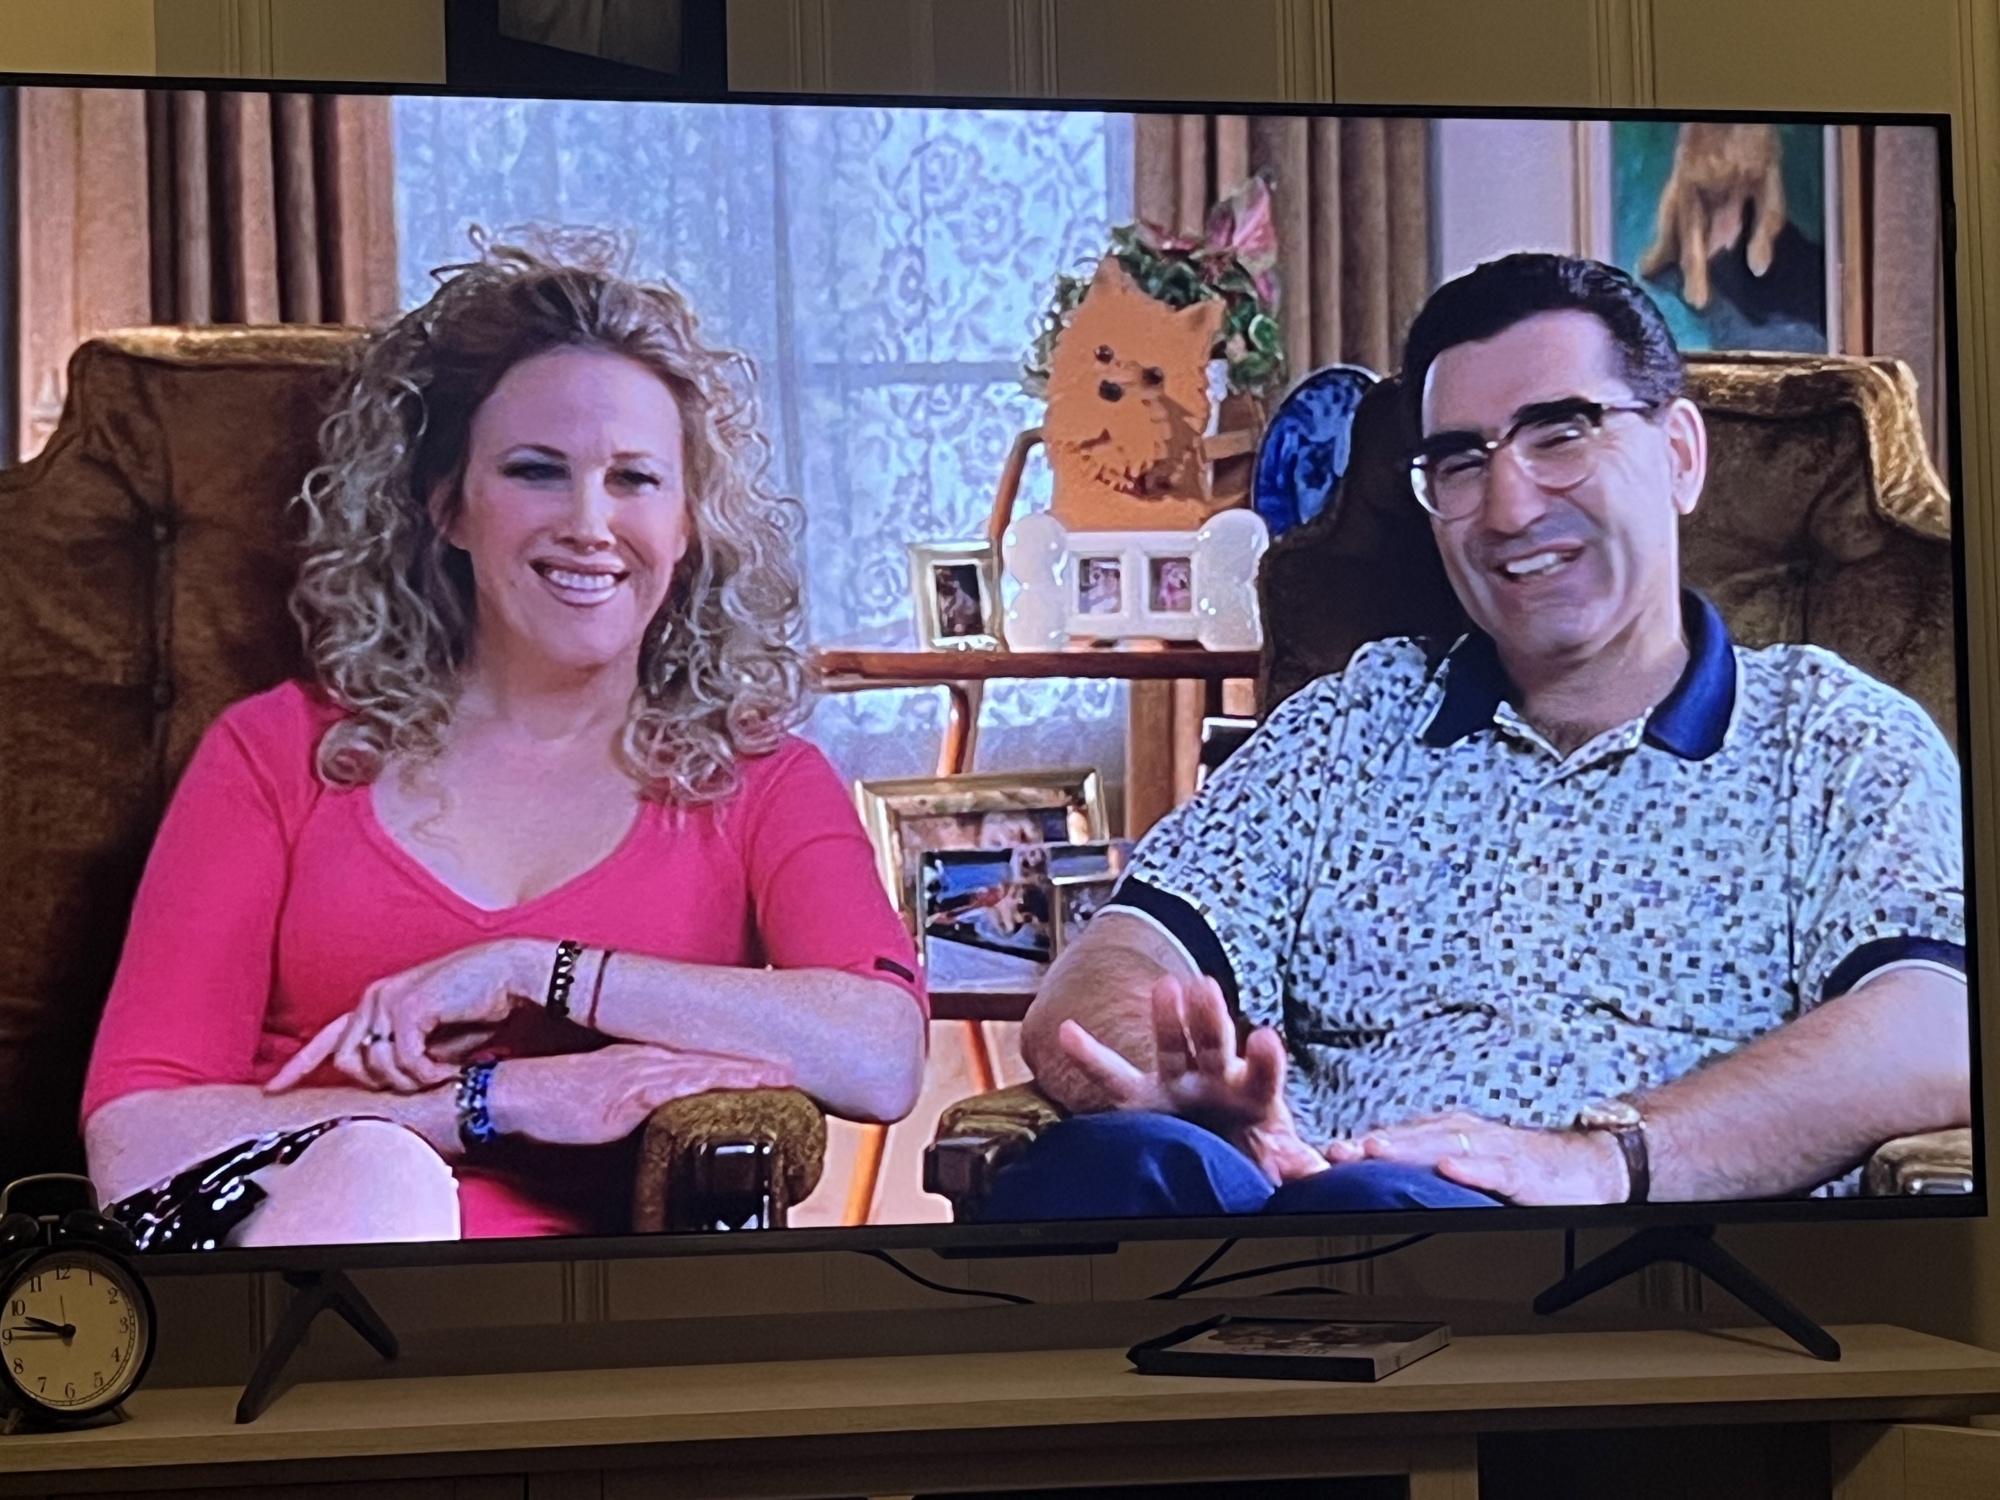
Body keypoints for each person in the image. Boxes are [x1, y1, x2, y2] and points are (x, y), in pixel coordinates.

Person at [984, 253, 1968, 1222]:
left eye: (1560, 435)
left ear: (1678, 454)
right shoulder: (1345, 726)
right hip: (1303, 1212)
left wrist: (1604, 1160)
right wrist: (1165, 1091)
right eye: (1459, 461)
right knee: (1104, 1169)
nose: (1508, 509)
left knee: (1375, 1212)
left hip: (1643, 1258)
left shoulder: (1833, 741)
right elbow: (1103, 971)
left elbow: (1941, 1027)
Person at [81, 236, 928, 1250]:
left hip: (584, 1311)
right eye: (536, 472)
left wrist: (540, 970)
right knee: (379, 1173)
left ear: (687, 524)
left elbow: (879, 1056)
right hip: (297, 1271)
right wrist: (494, 1102)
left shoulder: (761, 780)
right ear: (447, 505)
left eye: (634, 479)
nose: (589, 524)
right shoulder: (274, 753)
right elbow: (134, 1147)